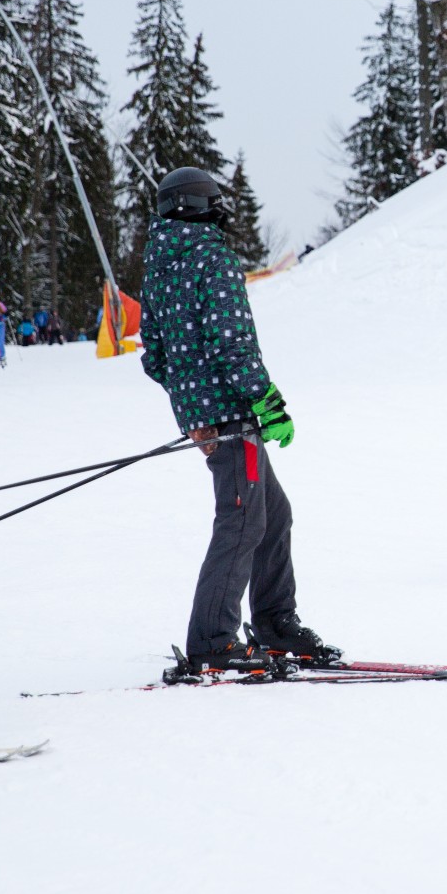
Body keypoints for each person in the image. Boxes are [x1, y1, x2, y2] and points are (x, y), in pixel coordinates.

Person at [139, 166, 333, 675]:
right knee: (243, 520)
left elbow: (154, 357)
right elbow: (232, 342)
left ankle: (274, 623)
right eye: (214, 199)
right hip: (232, 413)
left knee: (273, 514)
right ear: (195, 205)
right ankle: (212, 640)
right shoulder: (210, 256)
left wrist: (192, 409)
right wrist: (265, 401)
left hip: (210, 417)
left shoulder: (159, 264)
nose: (221, 207)